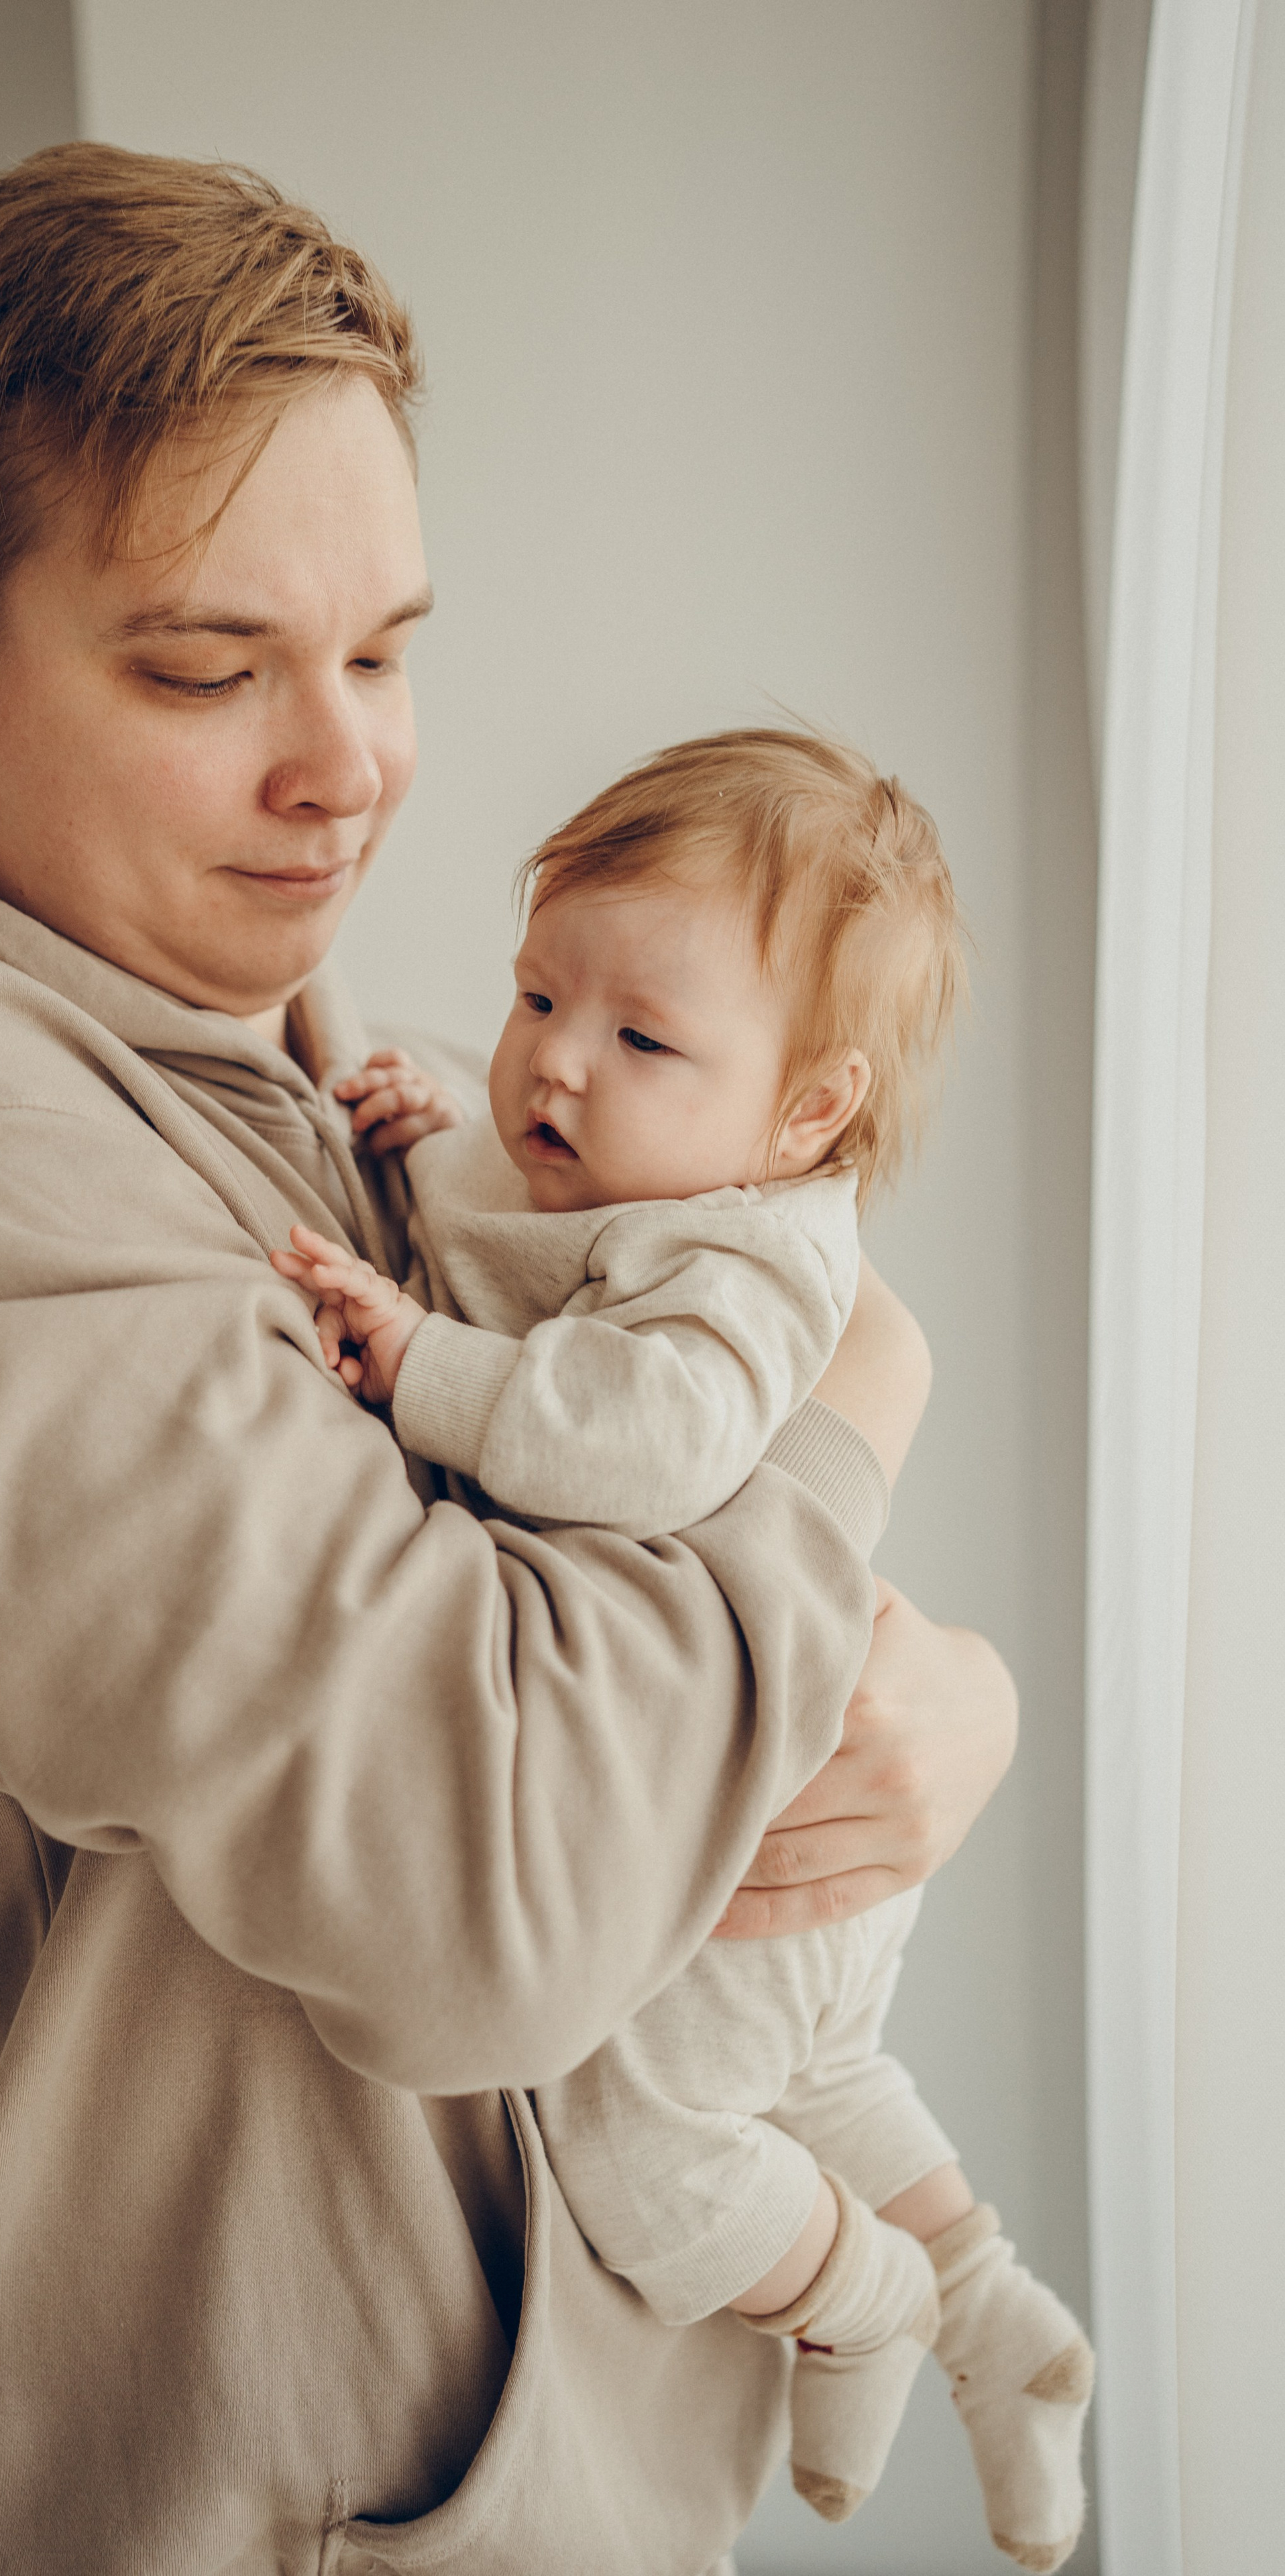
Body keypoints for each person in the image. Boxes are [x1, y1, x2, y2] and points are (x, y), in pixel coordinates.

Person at [0, 146, 1016, 2575]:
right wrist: (854, 1412)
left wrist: (941, 1694)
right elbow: (500, 1873)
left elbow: (580, 1506)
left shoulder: (246, 1037)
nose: (349, 766)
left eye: (381, 648)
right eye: (205, 669)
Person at [274, 730, 1093, 2573]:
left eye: (639, 1039)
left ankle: (860, 2300)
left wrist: (415, 1362)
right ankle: (1001, 2321)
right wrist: (429, 1126)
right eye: (536, 992)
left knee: (645, 2144)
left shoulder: (752, 1267)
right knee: (821, 2085)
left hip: (762, 1816)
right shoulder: (640, 1173)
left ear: (809, 1114)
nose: (555, 1059)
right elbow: (517, 1219)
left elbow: (630, 1438)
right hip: (808, 1802)